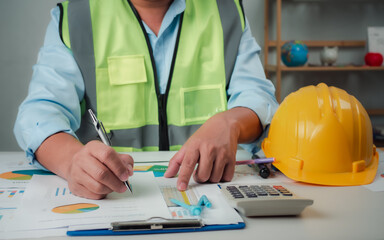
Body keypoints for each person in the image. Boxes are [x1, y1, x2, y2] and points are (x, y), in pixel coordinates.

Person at [14, 0, 278, 200]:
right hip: (113, 203)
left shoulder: (226, 10)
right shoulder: (78, 15)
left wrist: (230, 123)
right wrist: (72, 161)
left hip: (210, 196)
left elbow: (259, 99)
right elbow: (39, 115)